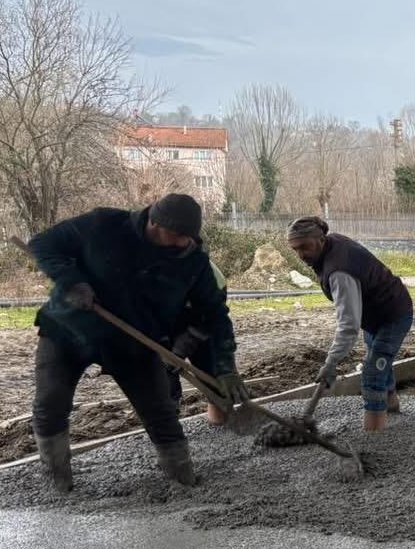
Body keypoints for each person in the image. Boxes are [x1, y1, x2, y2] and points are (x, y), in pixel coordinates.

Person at [28, 193, 251, 491]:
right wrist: (71, 281)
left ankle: (182, 479)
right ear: (154, 223)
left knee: (161, 412)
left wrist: (224, 366)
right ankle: (57, 483)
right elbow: (42, 244)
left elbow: (214, 316)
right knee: (51, 403)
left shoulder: (193, 262)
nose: (185, 243)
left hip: (135, 343)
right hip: (68, 330)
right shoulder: (102, 225)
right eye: (179, 235)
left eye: (189, 237)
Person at [285, 216, 414, 433]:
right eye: (295, 249)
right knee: (378, 356)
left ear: (320, 240)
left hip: (392, 313)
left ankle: (375, 434)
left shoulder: (339, 272)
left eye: (305, 247)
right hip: (375, 314)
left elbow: (348, 324)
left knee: (373, 372)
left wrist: (331, 362)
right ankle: (391, 408)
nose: (300, 255)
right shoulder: (331, 245)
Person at [165, 258, 232, 427]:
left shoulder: (209, 280)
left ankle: (220, 411)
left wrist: (181, 348)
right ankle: (166, 426)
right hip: (158, 314)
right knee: (160, 365)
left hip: (202, 308)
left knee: (208, 359)